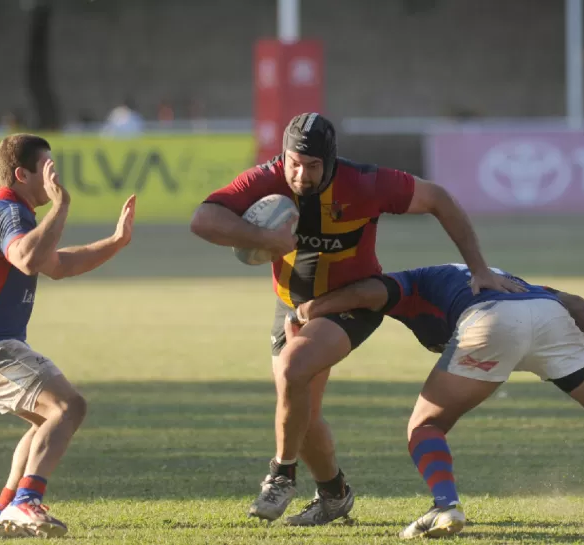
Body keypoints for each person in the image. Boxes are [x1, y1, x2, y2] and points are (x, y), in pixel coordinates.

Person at [189, 112, 523, 525]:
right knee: (301, 413)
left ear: (330, 162)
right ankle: (334, 495)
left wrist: (480, 270)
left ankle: (280, 475)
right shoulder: (267, 177)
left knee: (295, 370)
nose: (300, 174)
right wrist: (264, 239)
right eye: (294, 162)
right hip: (290, 305)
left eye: (312, 166)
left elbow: (438, 198)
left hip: (352, 301)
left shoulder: (366, 183)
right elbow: (202, 219)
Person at [285, 263, 584, 538]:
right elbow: (577, 303)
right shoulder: (501, 275)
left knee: (424, 428)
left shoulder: (412, 280)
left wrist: (309, 310)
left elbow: (369, 292)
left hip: (490, 323)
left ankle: (445, 505)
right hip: (549, 317)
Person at [0, 134, 136, 539]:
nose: (54, 178)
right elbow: (28, 258)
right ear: (21, 174)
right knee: (69, 407)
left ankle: (1, 516)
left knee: (48, 420)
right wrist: (63, 205)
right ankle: (25, 502)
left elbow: (57, 264)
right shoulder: (9, 212)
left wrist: (116, 242)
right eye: (48, 169)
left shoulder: (14, 215)